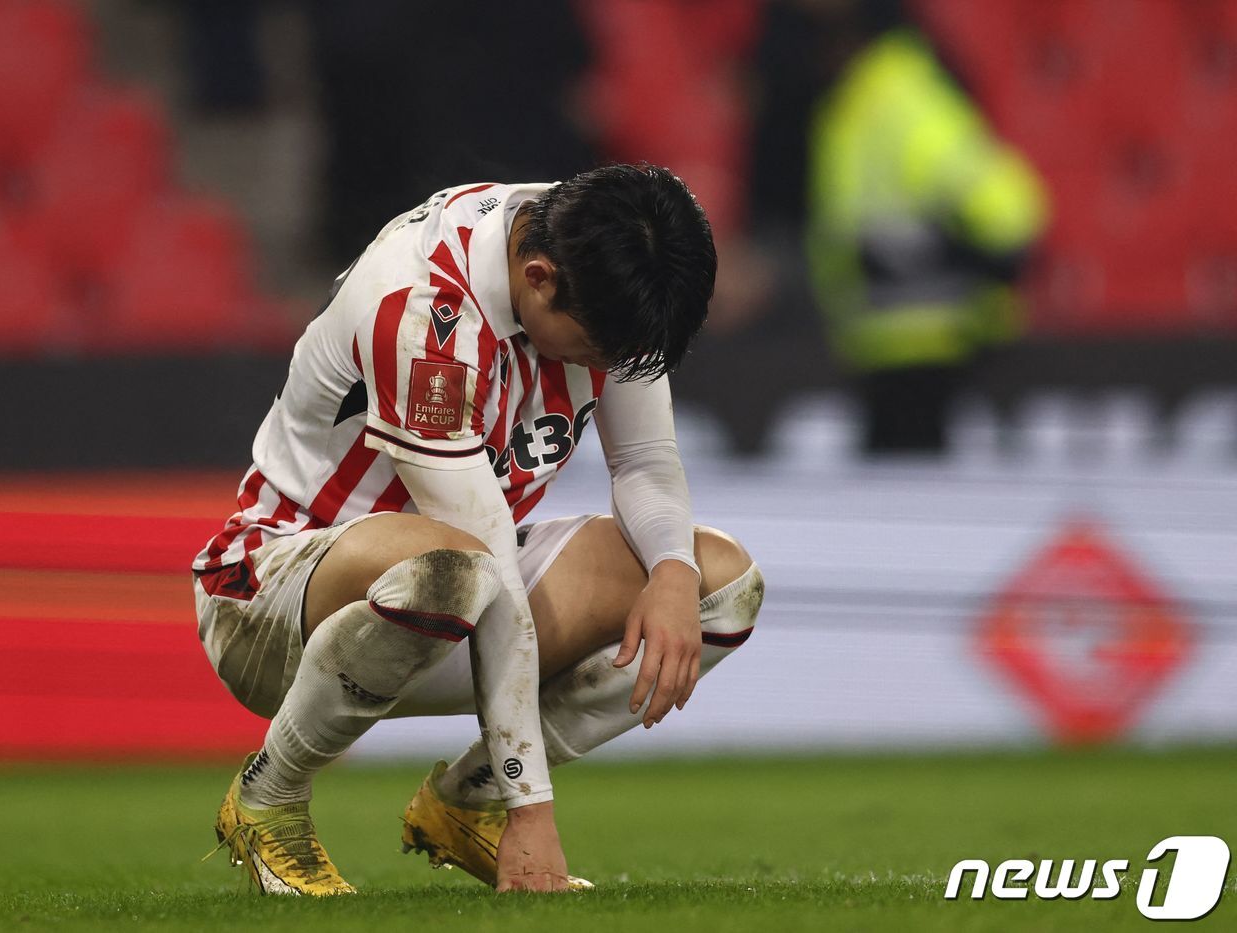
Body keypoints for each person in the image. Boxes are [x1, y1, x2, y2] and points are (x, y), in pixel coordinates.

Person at [193, 164, 765, 895]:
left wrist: (673, 575)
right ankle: (270, 795)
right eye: (594, 350)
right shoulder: (425, 310)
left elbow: (647, 462)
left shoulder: (602, 258)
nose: (606, 368)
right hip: (274, 601)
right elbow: (486, 560)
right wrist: (537, 810)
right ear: (538, 278)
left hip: (456, 594)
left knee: (719, 583)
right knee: (458, 566)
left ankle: (467, 803)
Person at [799, 0, 1048, 453]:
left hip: (928, 349)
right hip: (885, 347)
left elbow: (1009, 211)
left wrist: (948, 261)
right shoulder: (865, 97)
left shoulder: (900, 98)